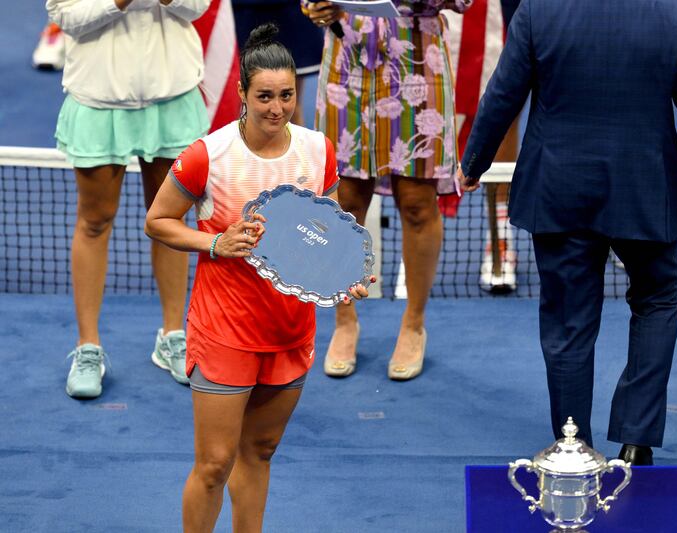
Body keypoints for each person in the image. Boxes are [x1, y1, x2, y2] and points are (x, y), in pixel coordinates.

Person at [458, 0, 677, 465]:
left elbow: (503, 93)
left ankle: (572, 450)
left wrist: (475, 162)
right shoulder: (674, 11)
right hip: (645, 189)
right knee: (657, 301)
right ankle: (637, 438)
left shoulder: (538, 10)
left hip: (560, 190)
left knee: (567, 323)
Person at [144, 23, 369, 531]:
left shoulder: (317, 150)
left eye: (286, 95)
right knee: (214, 464)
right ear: (243, 93)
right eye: (264, 96)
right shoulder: (210, 155)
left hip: (289, 330)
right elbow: (157, 221)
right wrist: (214, 242)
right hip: (224, 330)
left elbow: (327, 232)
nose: (277, 107)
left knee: (260, 452)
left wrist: (343, 276)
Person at [47, 0, 212, 398]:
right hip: (98, 101)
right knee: (95, 220)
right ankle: (88, 348)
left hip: (171, 96)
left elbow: (199, 7)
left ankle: (173, 336)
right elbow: (64, 15)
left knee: (171, 219)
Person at [305, 0, 472, 380]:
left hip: (417, 60)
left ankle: (414, 323)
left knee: (416, 202)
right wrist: (315, 6)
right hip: (346, 59)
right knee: (344, 202)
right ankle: (344, 320)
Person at [231, 0, 324, 127]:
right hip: (244, 12)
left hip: (291, 12)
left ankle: (297, 147)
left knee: (289, 105)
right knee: (242, 103)